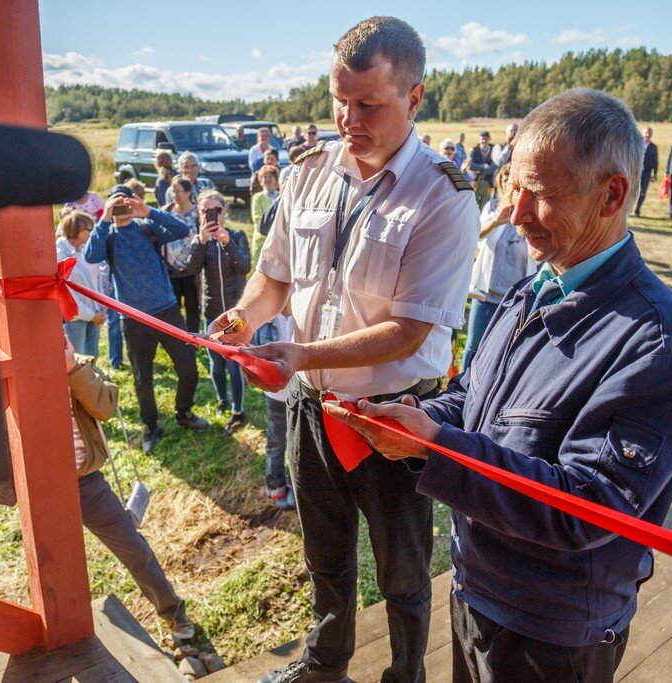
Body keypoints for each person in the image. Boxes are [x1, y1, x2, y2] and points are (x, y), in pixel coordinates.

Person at [325, 87, 672, 683]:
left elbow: (587, 510)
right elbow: (476, 398)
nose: (517, 213)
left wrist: (436, 448)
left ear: (612, 195)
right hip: (476, 587)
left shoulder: (656, 341)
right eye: (513, 186)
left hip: (552, 632)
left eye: (544, 195)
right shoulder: (534, 286)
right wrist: (413, 413)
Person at [208, 17, 479, 683]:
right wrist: (245, 316)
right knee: (324, 552)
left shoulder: (443, 197)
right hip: (310, 404)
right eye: (337, 99)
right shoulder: (306, 173)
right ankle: (325, 665)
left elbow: (411, 329)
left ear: (415, 98)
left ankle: (406, 673)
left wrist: (298, 351)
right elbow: (275, 275)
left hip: (391, 417)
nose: (347, 118)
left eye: (368, 104)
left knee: (403, 567)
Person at [0, 337, 196, 642]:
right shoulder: (2, 372)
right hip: (40, 491)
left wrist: (72, 368)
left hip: (86, 484)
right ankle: (61, 633)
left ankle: (173, 614)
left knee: (134, 550)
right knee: (54, 568)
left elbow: (106, 407)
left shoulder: (77, 364)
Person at [83, 185, 209, 454]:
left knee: (189, 368)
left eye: (126, 203)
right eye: (116, 204)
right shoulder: (108, 237)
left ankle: (183, 412)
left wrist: (149, 211)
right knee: (143, 377)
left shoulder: (146, 228)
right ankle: (151, 426)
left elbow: (181, 230)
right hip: (135, 319)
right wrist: (104, 219)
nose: (122, 209)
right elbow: (90, 255)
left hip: (167, 311)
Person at [186, 190, 251, 434]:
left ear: (224, 212)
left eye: (216, 210)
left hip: (234, 315)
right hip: (211, 313)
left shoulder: (236, 235)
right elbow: (190, 269)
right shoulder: (199, 241)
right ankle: (222, 399)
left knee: (234, 364)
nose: (211, 215)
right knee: (216, 363)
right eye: (205, 211)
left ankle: (238, 410)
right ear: (199, 214)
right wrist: (201, 242)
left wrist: (227, 242)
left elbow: (244, 266)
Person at [461, 165, 535, 370]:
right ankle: (459, 394)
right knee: (472, 347)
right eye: (504, 181)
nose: (508, 187)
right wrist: (497, 221)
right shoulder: (493, 207)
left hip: (515, 302)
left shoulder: (530, 218)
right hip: (485, 296)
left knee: (503, 352)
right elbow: (473, 235)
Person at [252, 312, 296, 510]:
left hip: (301, 395)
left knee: (300, 445)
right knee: (276, 442)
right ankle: (275, 484)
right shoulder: (263, 317)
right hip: (275, 396)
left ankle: (298, 489)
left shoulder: (304, 312)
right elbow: (252, 354)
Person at [56, 210, 104, 357]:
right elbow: (67, 293)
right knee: (78, 362)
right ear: (78, 230)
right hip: (76, 319)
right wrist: (91, 315)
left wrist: (101, 308)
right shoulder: (61, 254)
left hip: (95, 313)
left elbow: (97, 278)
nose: (93, 232)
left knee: (92, 357)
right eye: (90, 229)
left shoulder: (85, 250)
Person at [162, 176, 203, 334]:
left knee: (192, 307)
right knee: (175, 306)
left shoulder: (198, 212)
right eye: (173, 191)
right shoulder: (167, 211)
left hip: (192, 268)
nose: (175, 195)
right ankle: (176, 336)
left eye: (179, 191)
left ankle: (193, 339)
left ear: (188, 192)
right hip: (171, 267)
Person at [250, 164, 280, 263]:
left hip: (279, 240)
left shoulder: (281, 197)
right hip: (262, 239)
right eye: (264, 177)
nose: (267, 179)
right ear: (260, 180)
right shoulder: (257, 197)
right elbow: (257, 218)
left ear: (276, 179)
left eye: (270, 176)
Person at [634, 126, 658, 217]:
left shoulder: (653, 147)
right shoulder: (636, 144)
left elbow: (655, 161)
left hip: (647, 172)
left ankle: (637, 210)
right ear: (642, 133)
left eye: (649, 133)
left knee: (643, 192)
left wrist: (655, 174)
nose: (647, 135)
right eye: (646, 133)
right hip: (636, 172)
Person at [468, 130, 497, 206]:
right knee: (473, 204)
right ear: (479, 139)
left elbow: (493, 168)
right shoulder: (474, 150)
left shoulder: (494, 149)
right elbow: (471, 165)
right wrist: (483, 166)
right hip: (475, 181)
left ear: (489, 139)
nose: (484, 141)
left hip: (488, 182)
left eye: (486, 138)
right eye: (482, 138)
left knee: (485, 205)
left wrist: (478, 169)